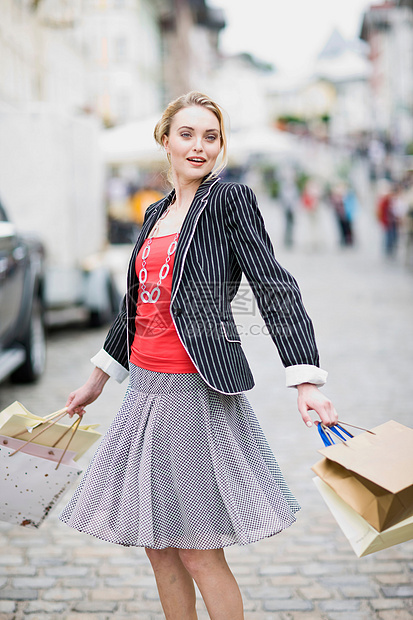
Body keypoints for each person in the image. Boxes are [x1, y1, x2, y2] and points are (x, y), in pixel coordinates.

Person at [60, 91, 337, 620]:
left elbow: (272, 287)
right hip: (144, 390)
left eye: (210, 137)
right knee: (158, 546)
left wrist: (305, 380)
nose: (199, 146)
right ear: (165, 141)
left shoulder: (228, 201)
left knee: (197, 548)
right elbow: (136, 306)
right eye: (187, 134)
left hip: (192, 390)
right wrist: (98, 378)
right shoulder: (156, 212)